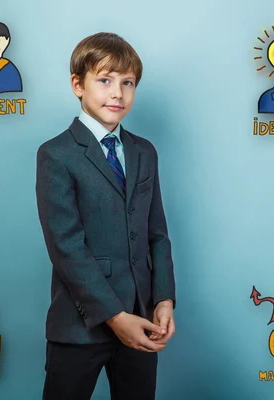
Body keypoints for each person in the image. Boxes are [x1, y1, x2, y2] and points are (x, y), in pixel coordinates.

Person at [36, 32, 176, 400]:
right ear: (77, 85)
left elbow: (156, 234)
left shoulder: (144, 152)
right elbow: (66, 246)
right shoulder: (57, 154)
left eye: (127, 83)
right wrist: (115, 317)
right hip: (80, 325)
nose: (117, 93)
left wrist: (163, 299)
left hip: (141, 318)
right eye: (105, 80)